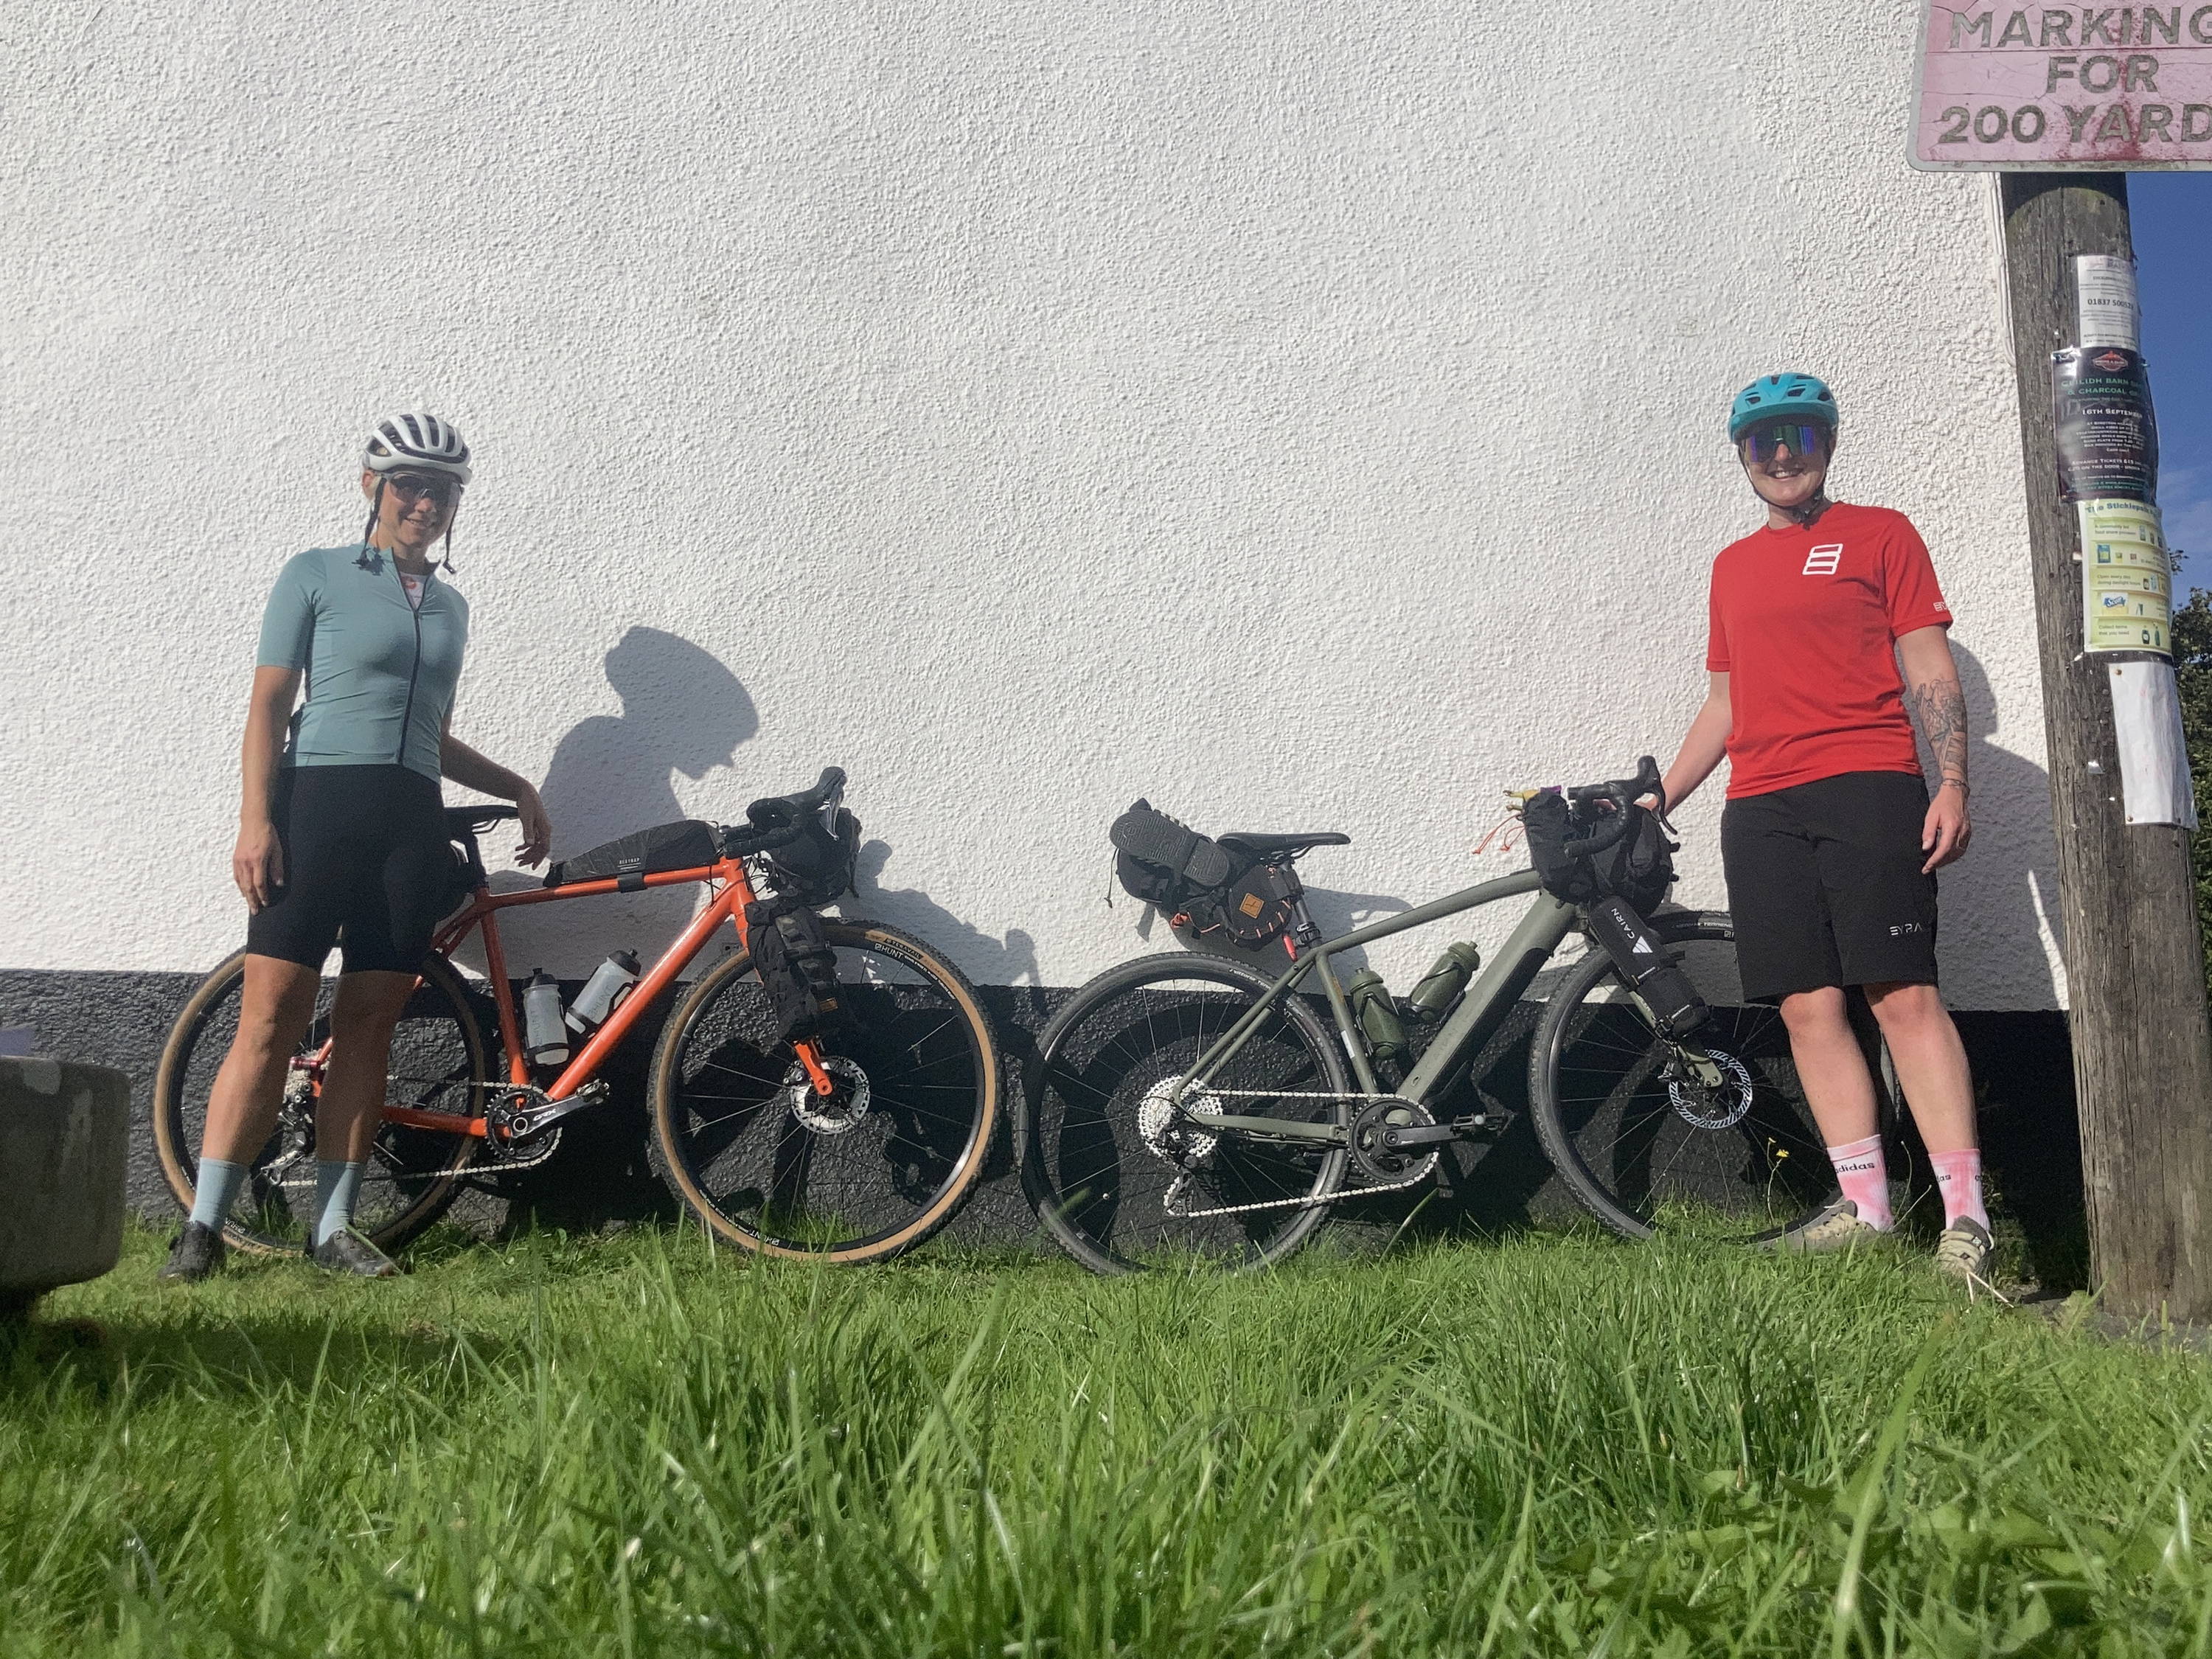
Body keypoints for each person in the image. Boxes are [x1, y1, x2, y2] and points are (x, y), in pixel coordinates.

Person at [160, 414, 552, 1282]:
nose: (426, 502)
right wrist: (254, 821)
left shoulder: (451, 607)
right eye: (409, 485)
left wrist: (514, 785)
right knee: (270, 1021)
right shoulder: (316, 575)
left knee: (370, 1027)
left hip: (408, 824)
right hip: (317, 811)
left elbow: (433, 734)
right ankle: (203, 1226)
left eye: (443, 490)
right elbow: (268, 708)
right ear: (372, 486)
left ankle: (335, 1228)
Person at [1655, 373, 1993, 1285]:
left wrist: (1951, 780)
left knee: (1899, 996)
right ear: (1743, 457)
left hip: (1870, 785)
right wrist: (1663, 798)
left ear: (1827, 442)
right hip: (1760, 804)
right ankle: (1866, 1209)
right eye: (1762, 441)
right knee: (1807, 1006)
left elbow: (1927, 662)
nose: (1781, 454)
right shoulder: (1731, 567)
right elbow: (1724, 703)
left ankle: (1966, 1219)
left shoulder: (1882, 534)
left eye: (1798, 434)